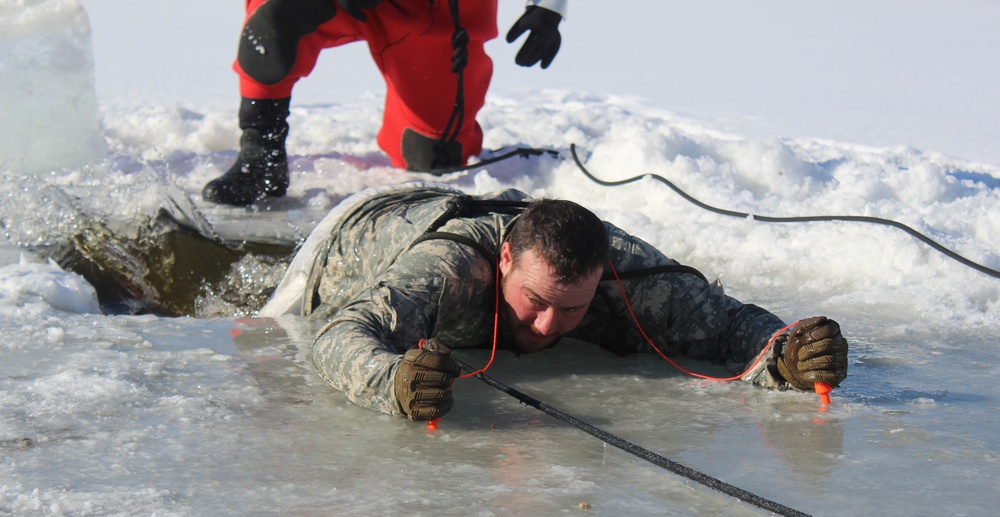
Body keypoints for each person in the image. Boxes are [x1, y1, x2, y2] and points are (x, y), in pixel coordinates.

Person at [258, 184, 849, 420]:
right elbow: (341, 332)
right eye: (535, 301)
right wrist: (392, 382)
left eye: (571, 309)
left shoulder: (627, 273)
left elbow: (731, 324)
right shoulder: (453, 267)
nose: (546, 326)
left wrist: (787, 355)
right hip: (344, 241)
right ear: (505, 261)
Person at [202, 0, 567, 206]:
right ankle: (260, 152)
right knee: (274, 18)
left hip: (436, 12)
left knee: (430, 154)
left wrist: (548, 6)